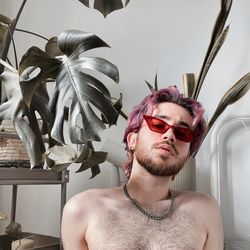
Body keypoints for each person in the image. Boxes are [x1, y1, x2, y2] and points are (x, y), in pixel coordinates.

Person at [61, 86, 224, 250]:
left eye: (182, 133)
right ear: (132, 140)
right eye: (158, 125)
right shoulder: (82, 208)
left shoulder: (205, 210)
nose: (170, 136)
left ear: (188, 153)